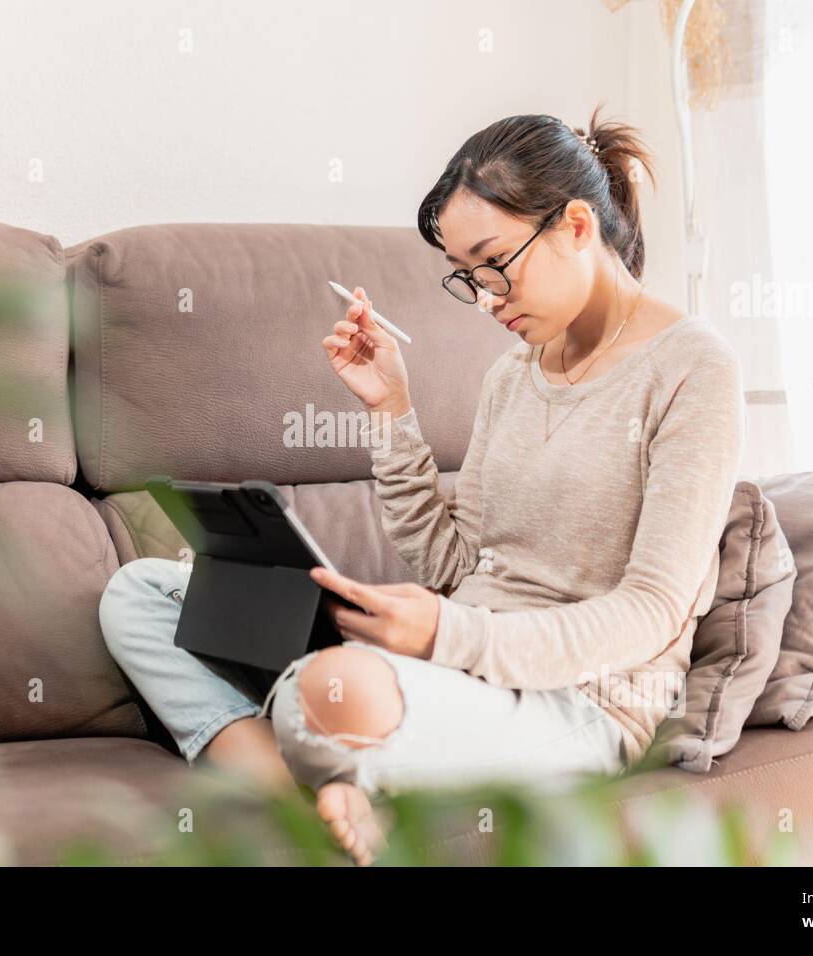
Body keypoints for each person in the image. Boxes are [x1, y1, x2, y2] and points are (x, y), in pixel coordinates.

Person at [99, 106, 746, 866]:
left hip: (585, 700)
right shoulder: (513, 374)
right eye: (467, 279)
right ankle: (302, 786)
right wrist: (391, 413)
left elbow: (650, 611)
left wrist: (447, 634)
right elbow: (452, 567)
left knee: (330, 687)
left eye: (495, 262)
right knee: (138, 594)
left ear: (576, 226)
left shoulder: (693, 368)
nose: (489, 300)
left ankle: (313, 758)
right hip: (456, 669)